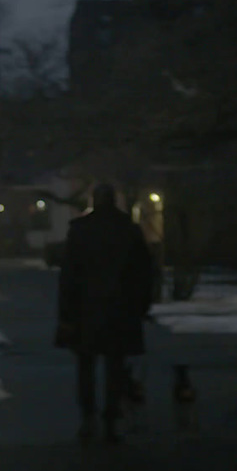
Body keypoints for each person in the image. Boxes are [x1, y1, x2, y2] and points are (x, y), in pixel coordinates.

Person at [55, 183, 155, 444]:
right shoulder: (129, 231)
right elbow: (144, 273)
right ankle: (111, 418)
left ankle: (88, 418)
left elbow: (68, 278)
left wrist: (66, 314)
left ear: (94, 201)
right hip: (120, 309)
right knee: (115, 365)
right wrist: (141, 306)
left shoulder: (79, 231)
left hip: (85, 310)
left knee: (85, 366)